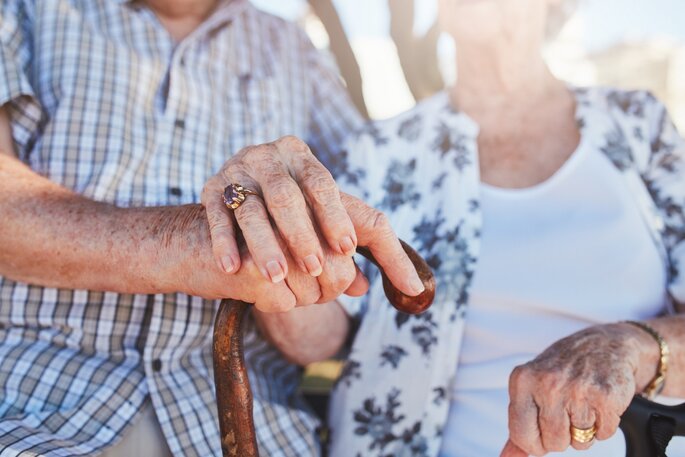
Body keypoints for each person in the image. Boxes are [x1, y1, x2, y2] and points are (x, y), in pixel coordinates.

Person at [220, 0, 685, 455]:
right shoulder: (381, 149)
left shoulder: (636, 124)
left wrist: (637, 347)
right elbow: (317, 339)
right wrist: (271, 234)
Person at [0, 0, 425, 456]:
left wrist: (281, 246)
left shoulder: (294, 51)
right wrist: (195, 243)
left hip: (255, 429)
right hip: (29, 412)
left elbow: (326, 333)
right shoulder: (24, 12)